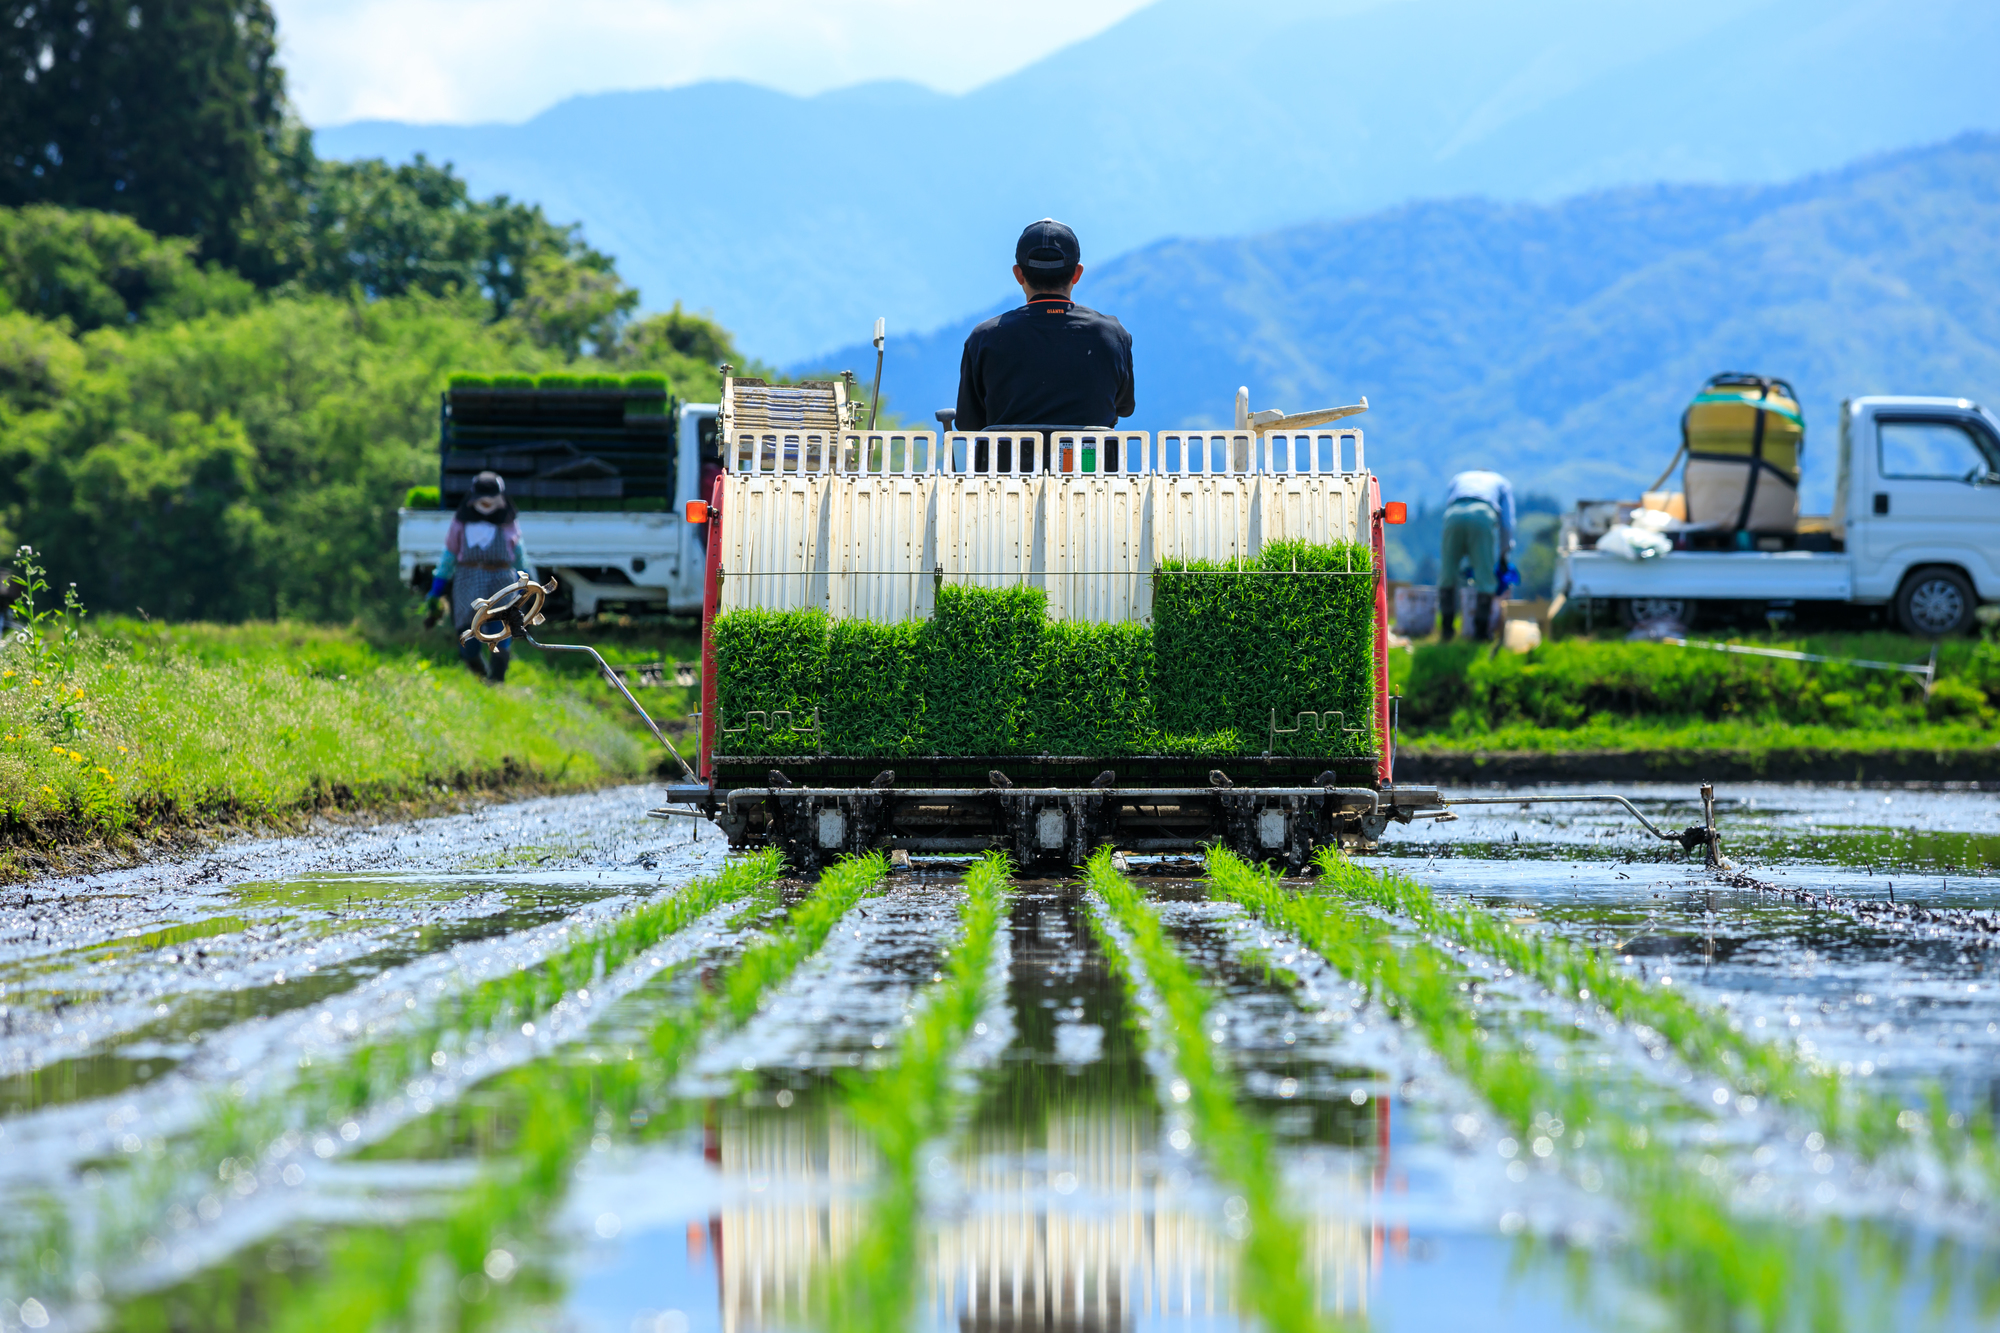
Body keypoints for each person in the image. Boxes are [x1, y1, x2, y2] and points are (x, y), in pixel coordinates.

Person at [954, 218, 1135, 432]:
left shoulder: (985, 337)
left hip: (1007, 466)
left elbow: (968, 423)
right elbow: (1124, 407)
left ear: (1018, 274)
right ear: (1077, 273)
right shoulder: (1113, 335)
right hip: (1089, 464)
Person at [424, 472, 529, 682]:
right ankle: (481, 676)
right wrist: (436, 589)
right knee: (468, 634)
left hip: (502, 581)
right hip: (468, 580)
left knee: (501, 631)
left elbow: (519, 555)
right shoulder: (461, 523)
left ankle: (497, 681)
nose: (487, 501)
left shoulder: (508, 522)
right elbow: (449, 556)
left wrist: (528, 585)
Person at [1438, 469, 1516, 641]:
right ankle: (1480, 633)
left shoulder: (1459, 477)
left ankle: (1446, 631)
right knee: (1485, 577)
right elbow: (1507, 524)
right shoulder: (1501, 482)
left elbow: (1448, 502)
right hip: (1483, 514)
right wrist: (1504, 554)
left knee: (1447, 574)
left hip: (1454, 515)